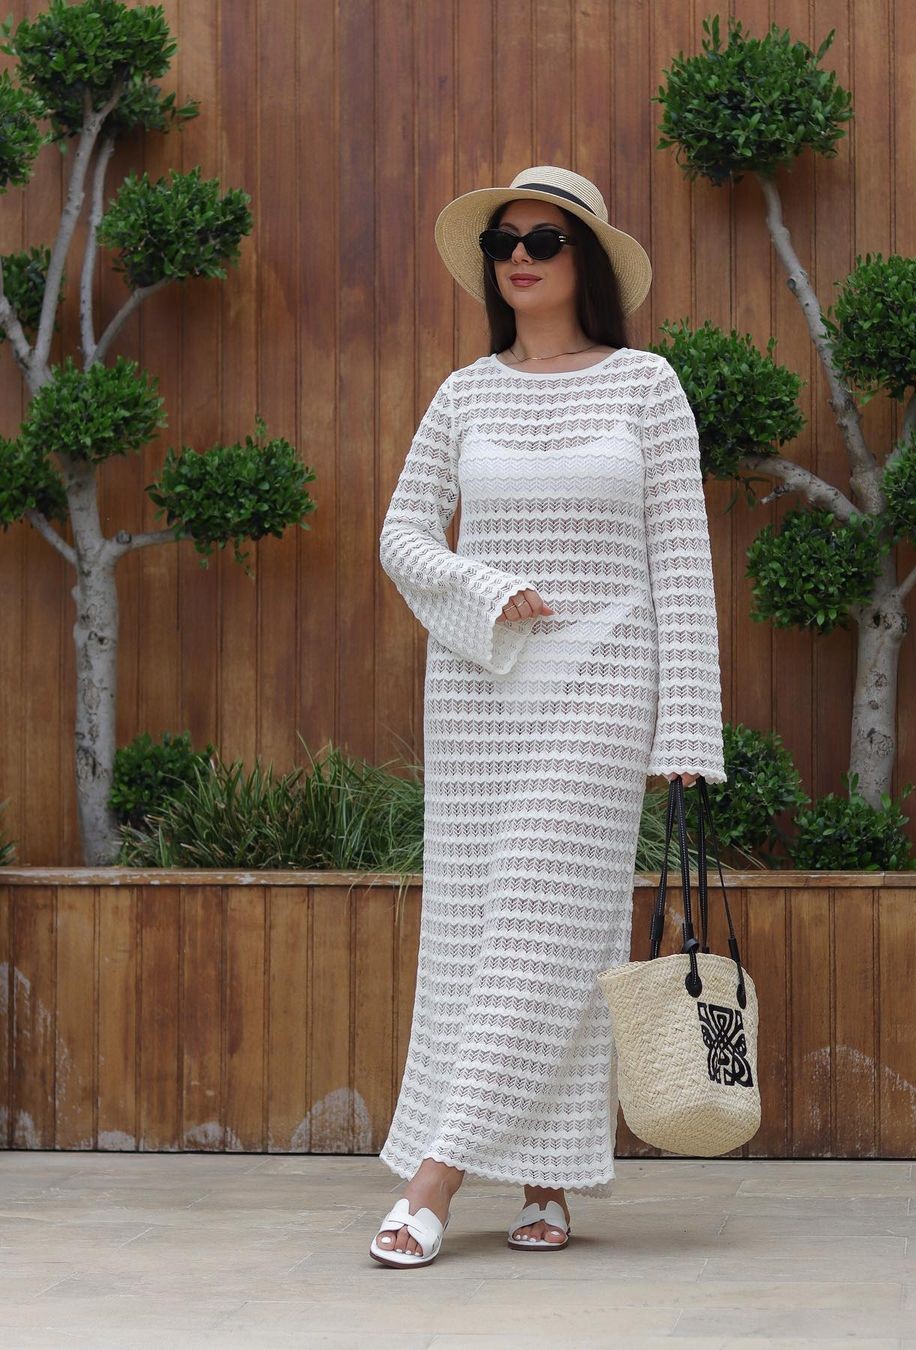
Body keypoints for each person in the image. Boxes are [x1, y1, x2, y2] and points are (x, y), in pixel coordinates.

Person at [371, 166, 727, 1267]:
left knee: (536, 921)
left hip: (605, 687)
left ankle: (432, 1179)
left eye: (544, 238)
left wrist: (688, 736)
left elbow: (681, 563)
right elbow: (402, 536)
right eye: (503, 241)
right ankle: (547, 1182)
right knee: (499, 936)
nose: (518, 254)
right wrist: (483, 591)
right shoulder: (464, 394)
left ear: (587, 261)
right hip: (481, 695)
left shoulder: (647, 385)